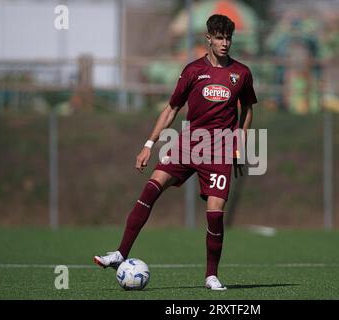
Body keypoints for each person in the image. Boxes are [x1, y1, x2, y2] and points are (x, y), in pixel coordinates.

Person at [94, 14, 257, 291]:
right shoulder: (193, 70)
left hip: (218, 151)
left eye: (228, 37)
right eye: (219, 37)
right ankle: (120, 253)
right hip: (188, 144)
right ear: (208, 38)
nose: (225, 43)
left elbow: (248, 110)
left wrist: (239, 147)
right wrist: (149, 144)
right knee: (151, 187)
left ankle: (211, 276)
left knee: (215, 212)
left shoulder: (241, 73)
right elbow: (171, 109)